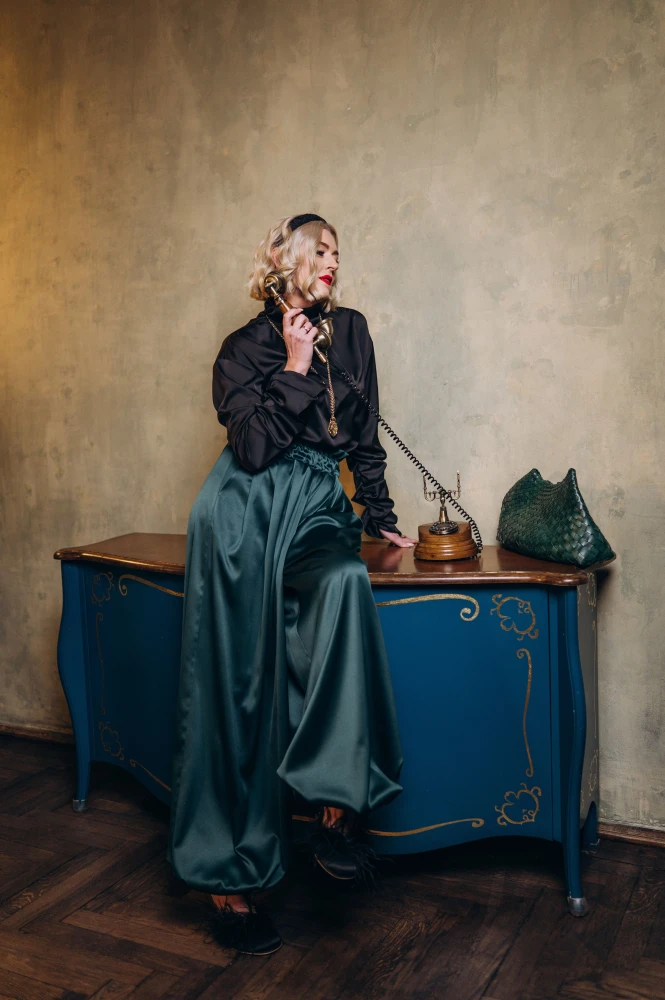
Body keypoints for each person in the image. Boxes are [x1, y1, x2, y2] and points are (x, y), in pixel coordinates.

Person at [167, 213, 417, 956]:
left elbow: (364, 439)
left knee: (344, 583)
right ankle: (227, 880)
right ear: (283, 261)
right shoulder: (242, 349)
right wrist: (297, 365)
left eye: (338, 251)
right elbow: (250, 450)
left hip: (312, 510)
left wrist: (380, 518)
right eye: (320, 250)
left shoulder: (354, 332)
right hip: (240, 517)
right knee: (237, 688)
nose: (333, 261)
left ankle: (338, 807)